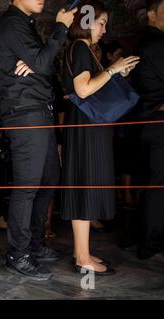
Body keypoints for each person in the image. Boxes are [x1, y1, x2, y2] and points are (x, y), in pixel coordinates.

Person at [0, 0, 76, 280]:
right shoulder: (11, 23)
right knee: (27, 185)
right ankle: (18, 254)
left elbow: (45, 67)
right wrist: (61, 28)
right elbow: (42, 63)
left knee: (49, 179)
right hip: (25, 113)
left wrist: (39, 62)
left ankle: (35, 245)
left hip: (41, 112)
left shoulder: (25, 24)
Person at [62, 0, 140, 275]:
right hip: (85, 129)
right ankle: (82, 258)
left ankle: (80, 252)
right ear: (86, 21)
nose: (105, 29)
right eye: (102, 22)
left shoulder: (81, 49)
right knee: (85, 186)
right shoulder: (81, 48)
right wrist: (112, 69)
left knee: (84, 186)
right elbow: (83, 91)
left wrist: (116, 72)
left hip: (83, 126)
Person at [133, 0, 164, 260]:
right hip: (157, 123)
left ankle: (141, 237)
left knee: (154, 183)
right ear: (152, 15)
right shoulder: (157, 44)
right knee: (157, 185)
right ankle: (150, 242)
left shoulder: (146, 43)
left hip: (147, 122)